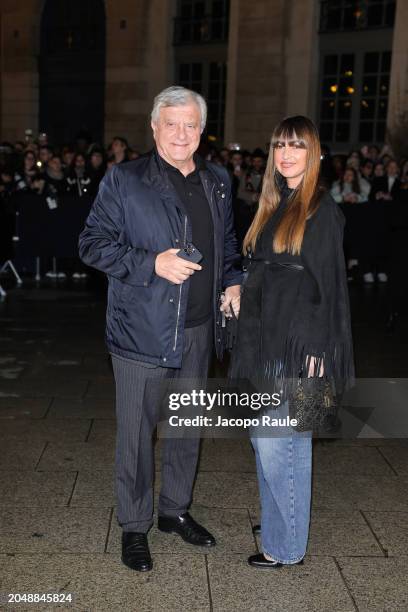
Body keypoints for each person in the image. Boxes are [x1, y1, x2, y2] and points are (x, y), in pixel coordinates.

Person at [79, 86, 242, 572]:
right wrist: (153, 263)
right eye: (170, 123)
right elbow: (91, 244)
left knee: (186, 428)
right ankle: (134, 525)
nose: (180, 133)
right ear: (153, 128)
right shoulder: (125, 179)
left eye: (190, 124)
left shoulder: (217, 180)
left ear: (201, 130)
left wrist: (233, 283)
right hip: (141, 332)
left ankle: (174, 511)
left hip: (198, 329)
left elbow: (227, 246)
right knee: (136, 433)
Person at [229, 115, 354, 568]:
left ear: (314, 153)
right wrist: (242, 291)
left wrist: (320, 354)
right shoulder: (276, 202)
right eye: (280, 146)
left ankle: (286, 547)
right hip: (265, 341)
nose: (286, 154)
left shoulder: (321, 209)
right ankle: (282, 532)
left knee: (277, 442)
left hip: (298, 346)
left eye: (296, 146)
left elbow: (330, 287)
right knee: (273, 442)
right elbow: (271, 270)